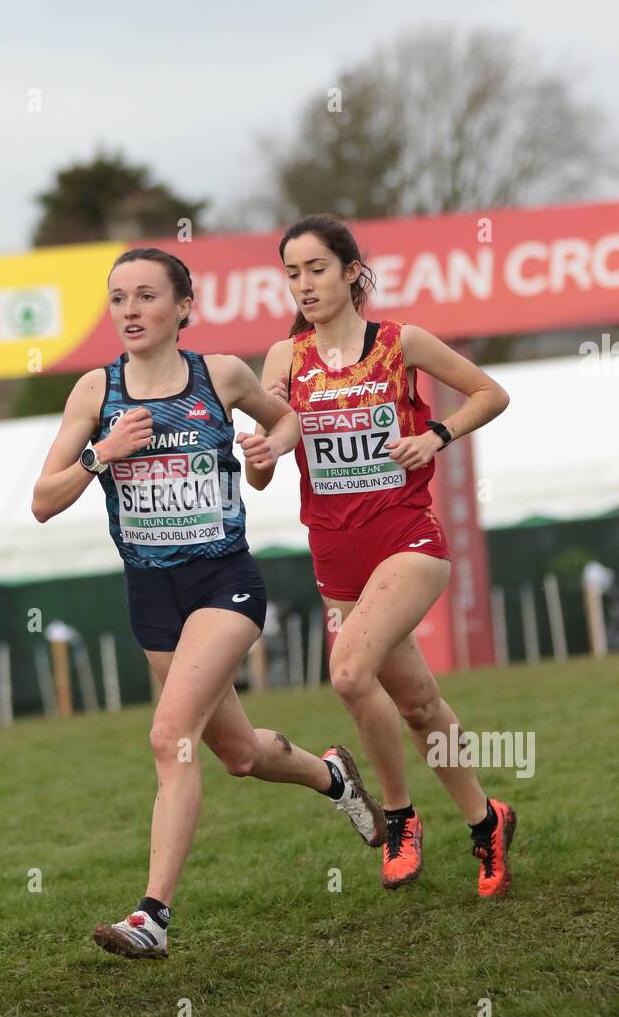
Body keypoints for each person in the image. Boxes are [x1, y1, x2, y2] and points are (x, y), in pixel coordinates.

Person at [32, 246, 386, 961]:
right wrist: (104, 453)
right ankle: (335, 776)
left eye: (145, 297)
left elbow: (287, 421)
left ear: (183, 307)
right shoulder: (95, 395)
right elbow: (42, 501)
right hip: (150, 595)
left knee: (170, 738)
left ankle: (153, 916)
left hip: (224, 583)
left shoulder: (217, 374)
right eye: (118, 298)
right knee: (238, 753)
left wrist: (268, 450)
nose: (129, 311)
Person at [248, 215, 515, 898]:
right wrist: (263, 453)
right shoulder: (285, 361)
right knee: (420, 704)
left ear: (348, 270)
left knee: (347, 672)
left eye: (315, 268)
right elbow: (265, 463)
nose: (303, 284)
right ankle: (488, 822)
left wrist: (436, 434)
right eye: (291, 273)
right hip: (335, 553)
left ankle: (398, 817)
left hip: (407, 537)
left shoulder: (400, 343)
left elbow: (492, 392)